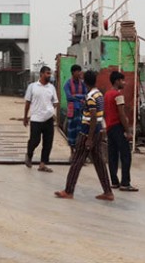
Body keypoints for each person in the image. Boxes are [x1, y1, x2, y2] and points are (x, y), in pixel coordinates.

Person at [55, 70, 114, 201]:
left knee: (76, 161)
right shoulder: (99, 94)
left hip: (87, 132)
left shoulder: (90, 97)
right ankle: (108, 192)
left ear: (84, 81)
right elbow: (99, 116)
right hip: (98, 130)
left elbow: (93, 116)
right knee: (99, 163)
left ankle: (68, 191)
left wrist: (89, 138)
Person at [104, 71, 138, 192]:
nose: (124, 83)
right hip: (118, 127)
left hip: (109, 127)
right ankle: (125, 182)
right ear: (117, 81)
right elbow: (122, 114)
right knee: (125, 155)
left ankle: (114, 181)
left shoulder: (107, 94)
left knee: (112, 155)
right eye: (122, 80)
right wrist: (128, 131)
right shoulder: (118, 96)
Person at [23, 66, 59, 173]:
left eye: (50, 73)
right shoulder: (32, 87)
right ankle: (29, 155)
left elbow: (56, 102)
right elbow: (27, 103)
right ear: (41, 74)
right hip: (36, 119)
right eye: (47, 73)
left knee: (48, 142)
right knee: (35, 140)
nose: (49, 75)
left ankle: (42, 164)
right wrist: (25, 117)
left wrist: (50, 109)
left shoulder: (51, 88)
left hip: (48, 119)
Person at [63, 64, 87, 153]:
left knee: (81, 131)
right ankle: (72, 152)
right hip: (72, 111)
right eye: (78, 71)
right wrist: (80, 98)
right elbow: (69, 97)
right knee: (71, 131)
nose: (80, 73)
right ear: (73, 72)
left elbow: (86, 95)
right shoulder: (68, 84)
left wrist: (75, 96)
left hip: (81, 111)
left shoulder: (83, 84)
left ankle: (79, 152)